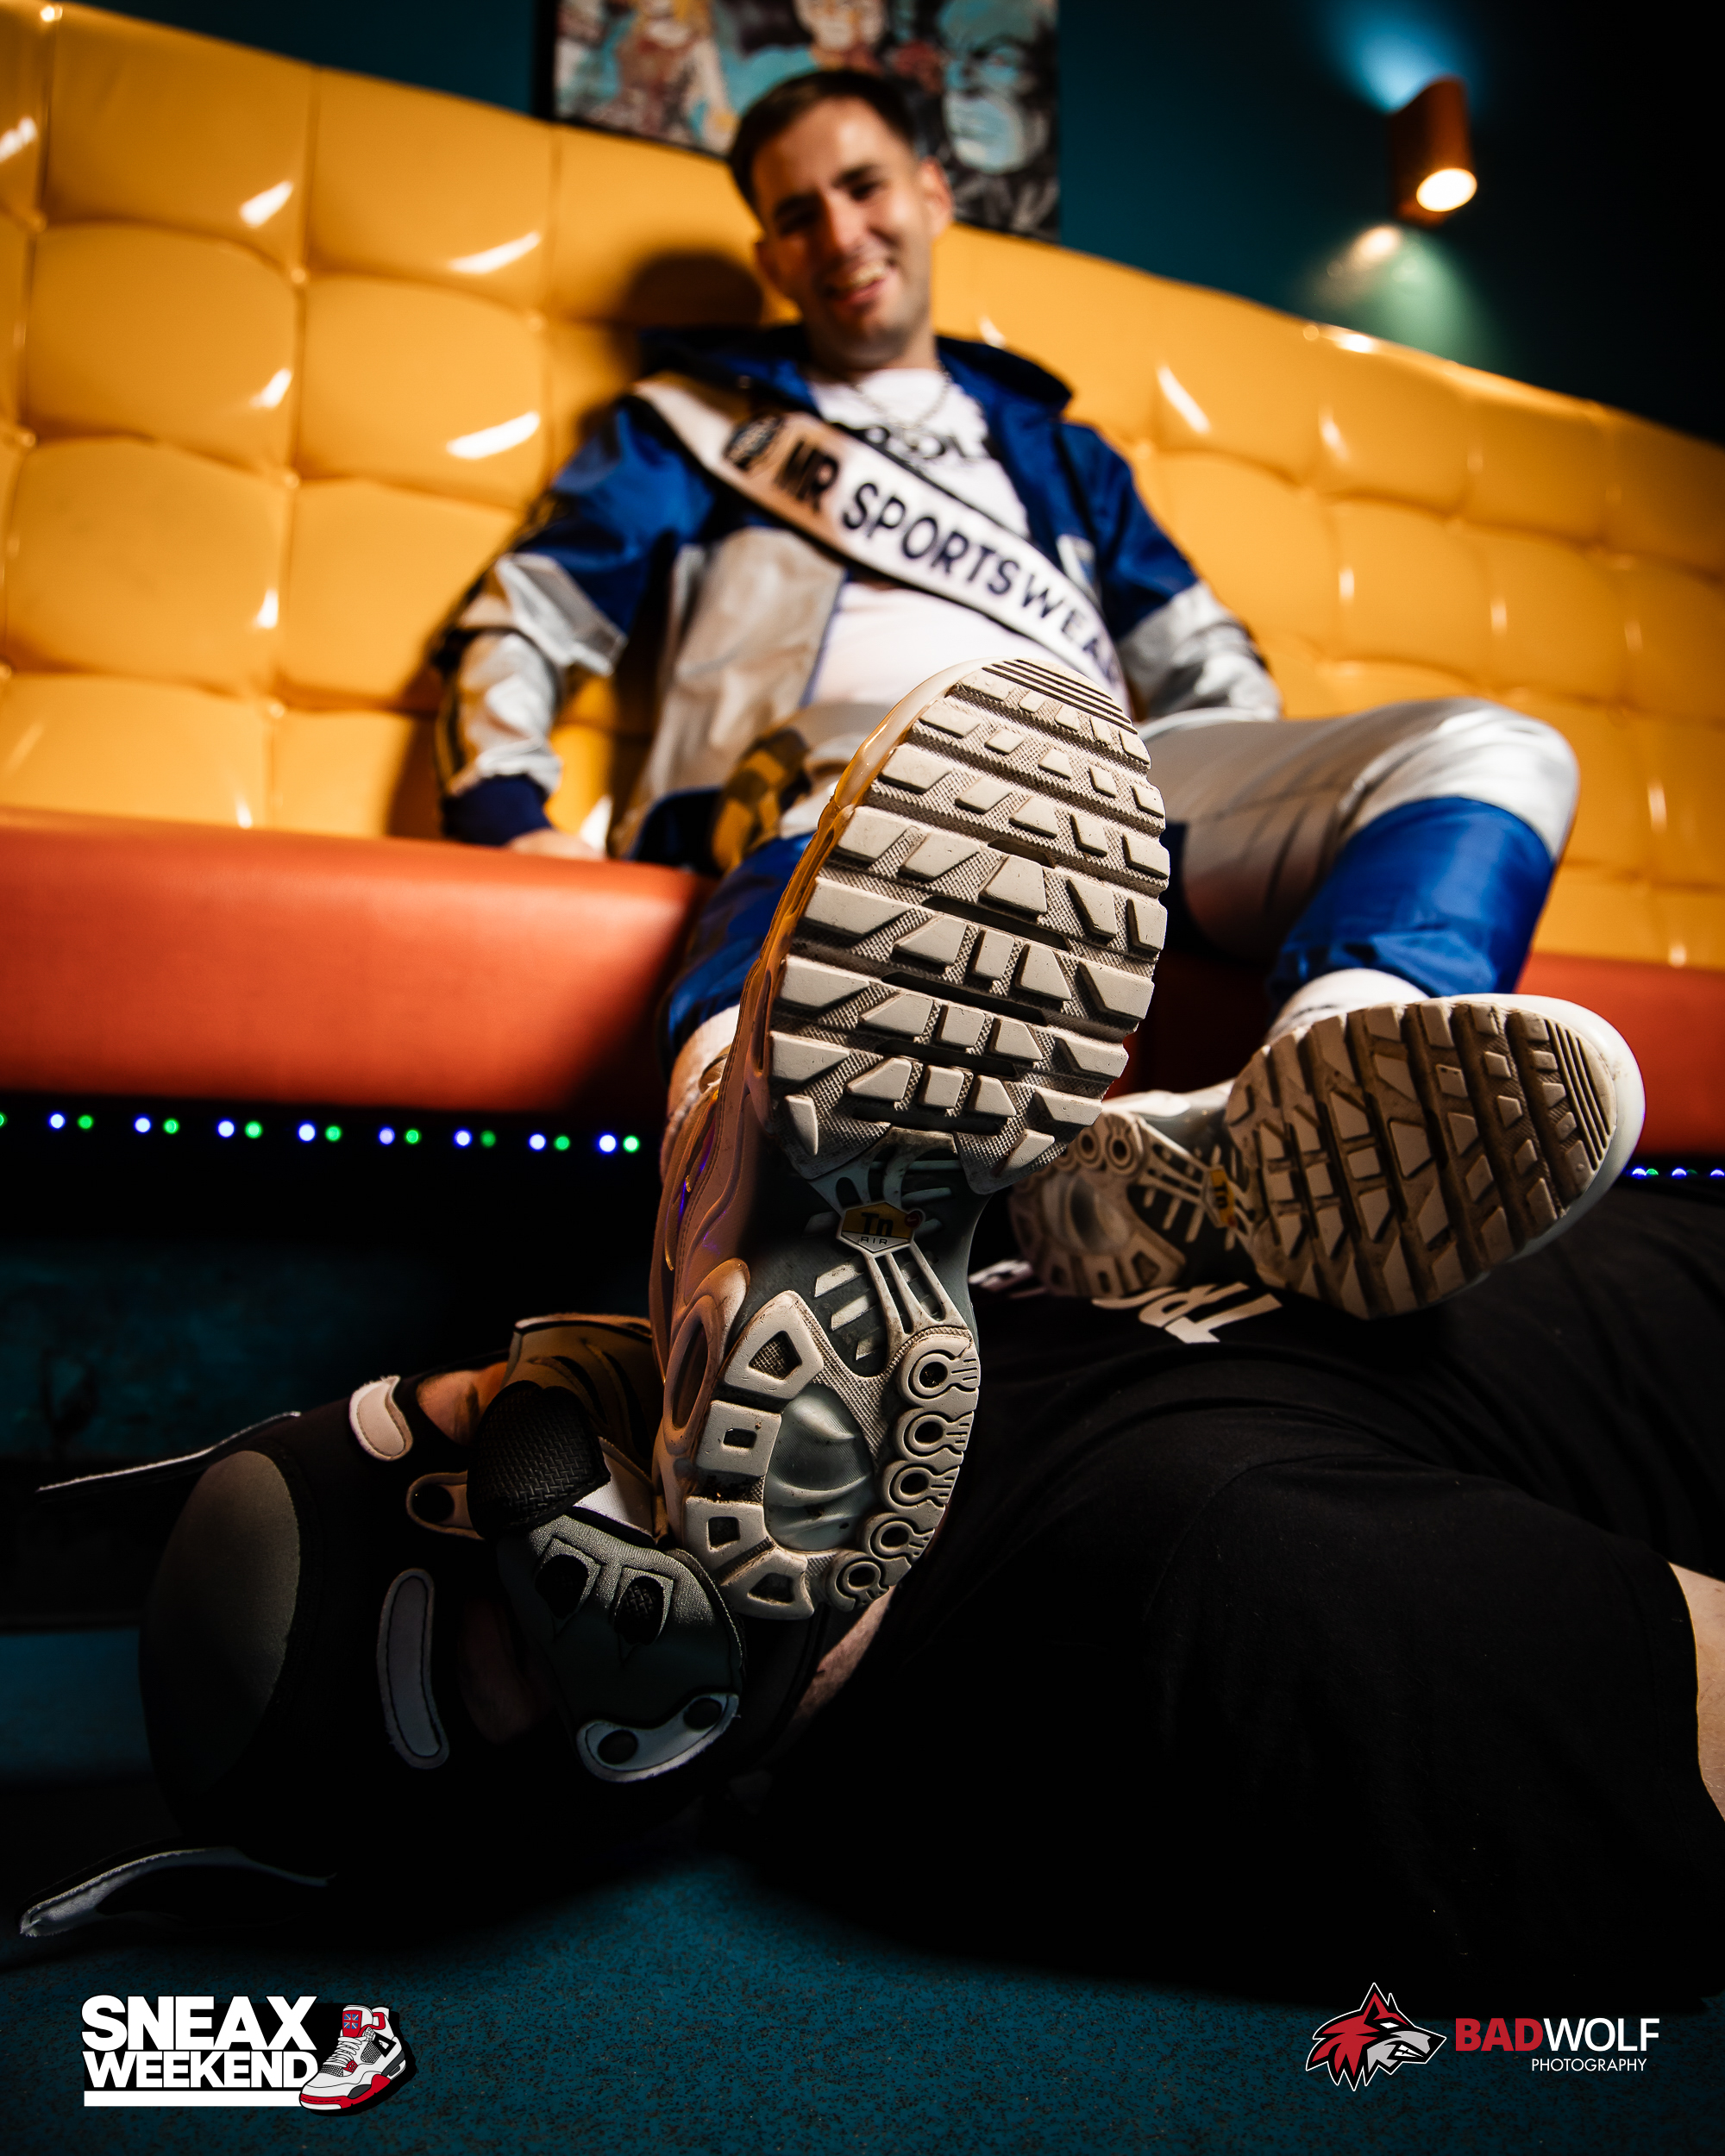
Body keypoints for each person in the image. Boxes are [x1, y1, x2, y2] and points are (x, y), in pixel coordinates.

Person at [434, 66, 1634, 1333]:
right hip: (842, 769)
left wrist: (1240, 781)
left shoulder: (1064, 455)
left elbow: (1205, 656)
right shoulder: (692, 427)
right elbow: (532, 610)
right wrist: (509, 810)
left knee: (1495, 749)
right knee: (839, 811)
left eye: (864, 187)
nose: (839, 234)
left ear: (933, 194)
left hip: (1110, 787)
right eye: (797, 216)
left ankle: (1325, 1092)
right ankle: (742, 1208)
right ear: (772, 258)